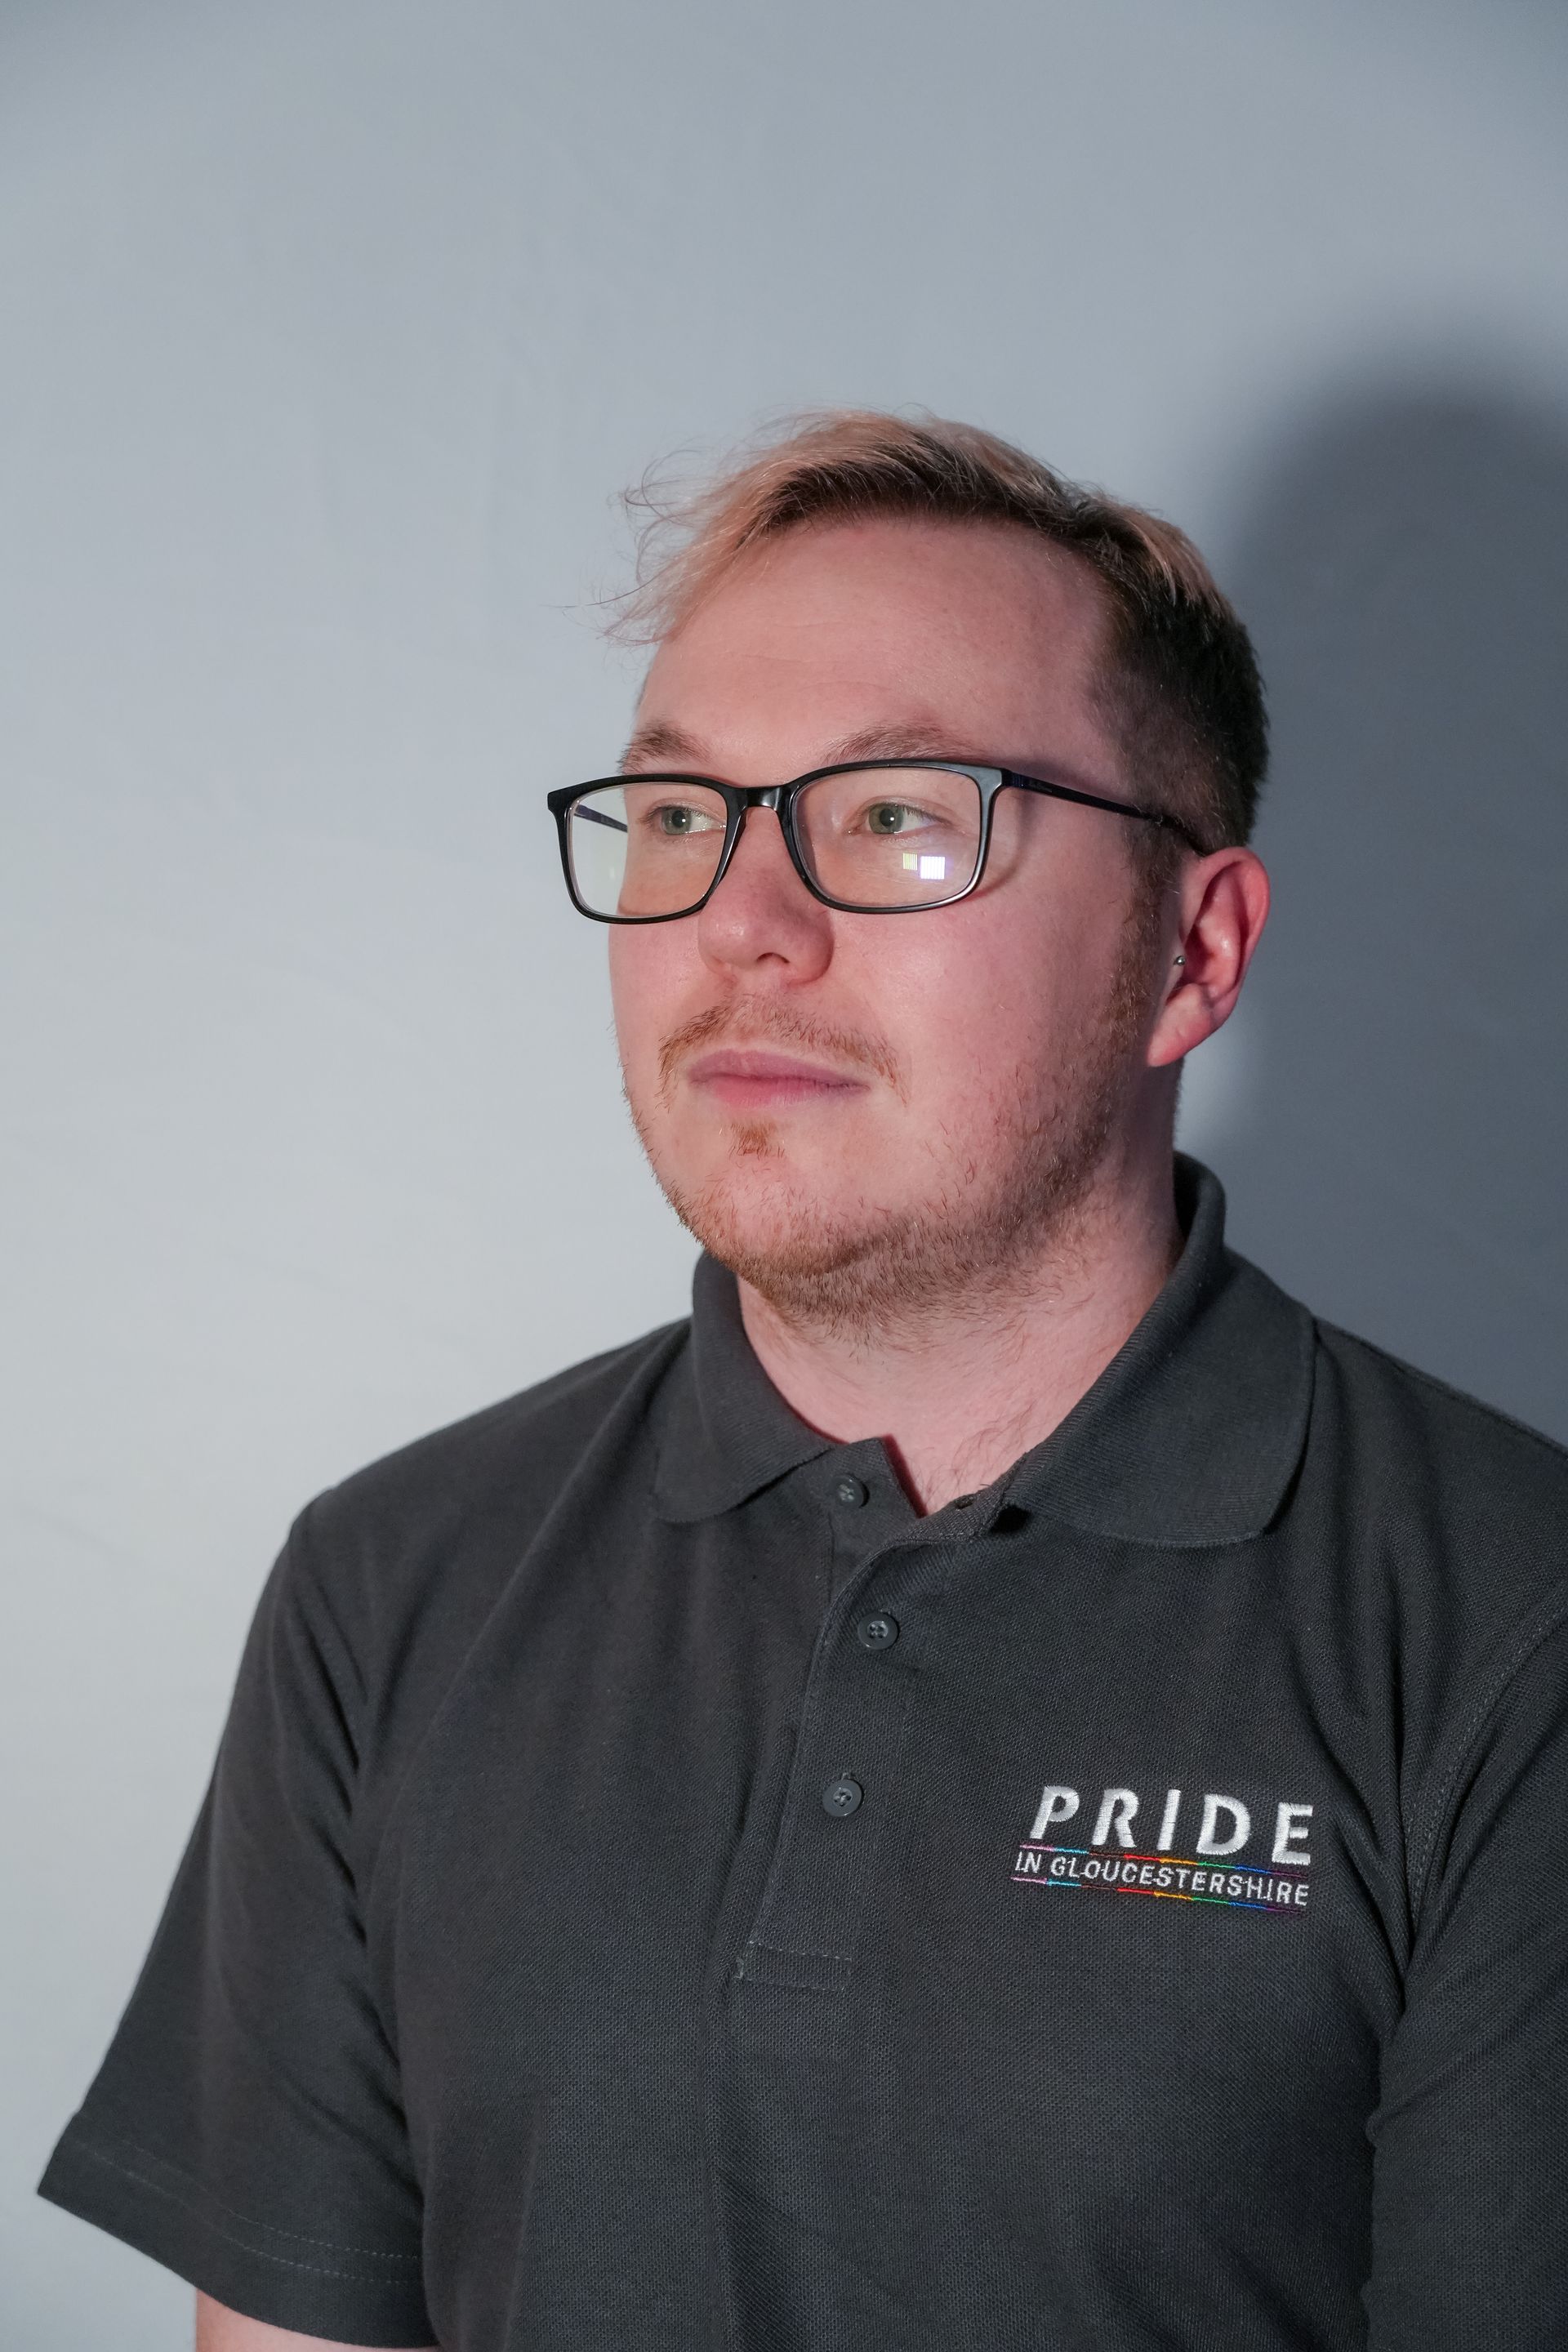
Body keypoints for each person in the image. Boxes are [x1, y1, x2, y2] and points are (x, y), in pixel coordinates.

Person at [40, 412, 1568, 2351]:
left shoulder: (1509, 1629)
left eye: (901, 818)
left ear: (1194, 951)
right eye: (682, 817)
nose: (743, 928)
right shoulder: (394, 1586)